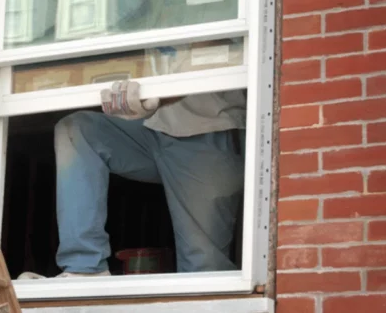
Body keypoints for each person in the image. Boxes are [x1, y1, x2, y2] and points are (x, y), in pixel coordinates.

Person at [19, 80, 246, 279]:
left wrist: (159, 96)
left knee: (204, 270)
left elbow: (209, 59)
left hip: (210, 130)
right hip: (154, 126)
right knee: (77, 129)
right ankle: (84, 267)